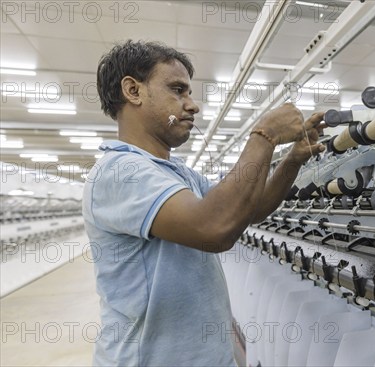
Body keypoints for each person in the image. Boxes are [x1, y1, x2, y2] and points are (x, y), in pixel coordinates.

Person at [83, 40, 325, 366]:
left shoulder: (175, 172)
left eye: (189, 93)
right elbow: (214, 229)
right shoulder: (120, 171)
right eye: (178, 90)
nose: (192, 105)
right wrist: (263, 135)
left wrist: (292, 161)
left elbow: (245, 209)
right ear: (133, 90)